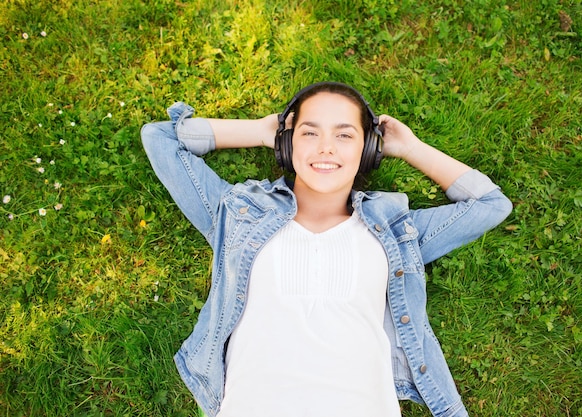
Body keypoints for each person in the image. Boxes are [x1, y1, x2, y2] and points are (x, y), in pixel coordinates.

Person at [141, 82, 512, 417]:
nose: (326, 147)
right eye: (309, 132)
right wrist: (257, 131)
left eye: (345, 135)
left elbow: (489, 205)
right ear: (288, 142)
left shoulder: (396, 232)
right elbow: (161, 138)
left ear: (368, 149)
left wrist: (409, 148)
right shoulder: (237, 214)